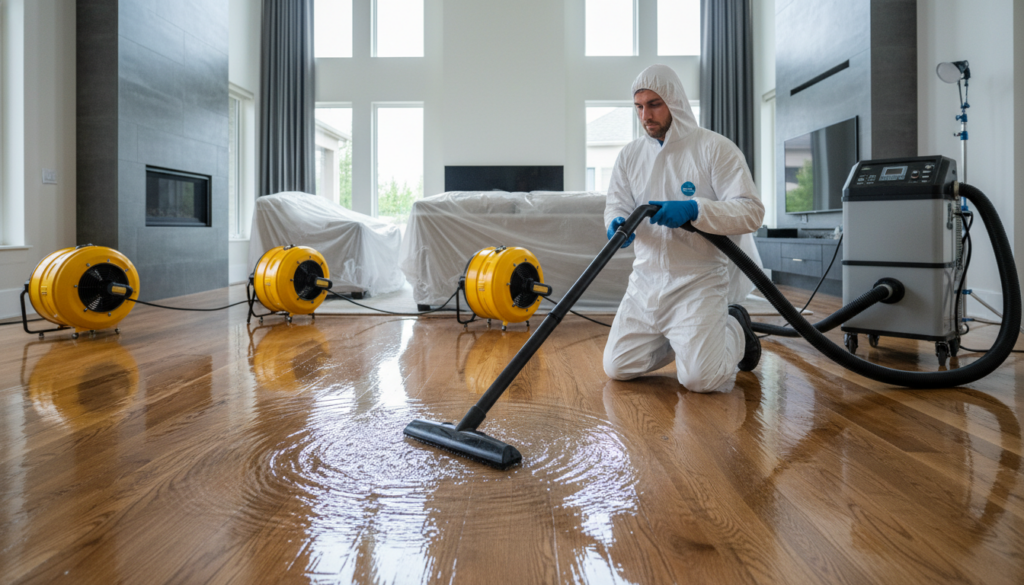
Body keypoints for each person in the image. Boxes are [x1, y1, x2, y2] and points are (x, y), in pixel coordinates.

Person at [603, 64, 764, 393]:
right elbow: (616, 203)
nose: (646, 115)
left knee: (700, 380)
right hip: (646, 279)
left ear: (674, 102)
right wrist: (615, 222)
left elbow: (751, 211)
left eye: (654, 104)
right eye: (639, 107)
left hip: (698, 279)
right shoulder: (630, 156)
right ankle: (690, 340)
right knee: (618, 366)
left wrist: (696, 209)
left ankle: (735, 327)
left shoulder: (714, 148)